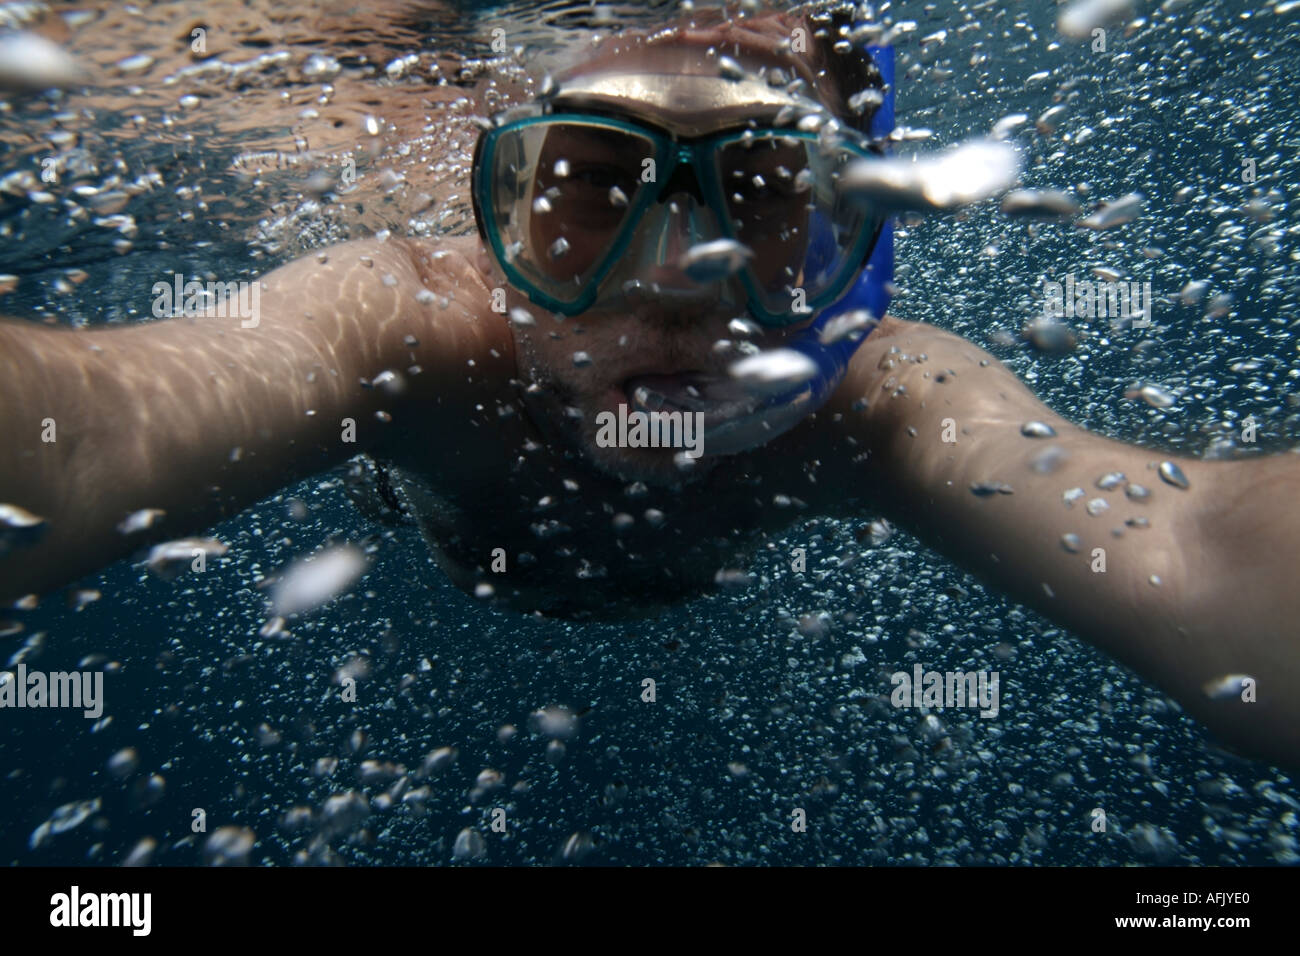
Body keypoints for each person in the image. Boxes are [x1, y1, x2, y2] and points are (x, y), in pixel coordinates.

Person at [1, 3, 1298, 771]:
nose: (678, 278)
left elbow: (1186, 541)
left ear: (864, 232)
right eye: (591, 189)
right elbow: (93, 434)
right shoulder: (403, 314)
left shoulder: (885, 401)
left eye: (771, 190)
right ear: (495, 222)